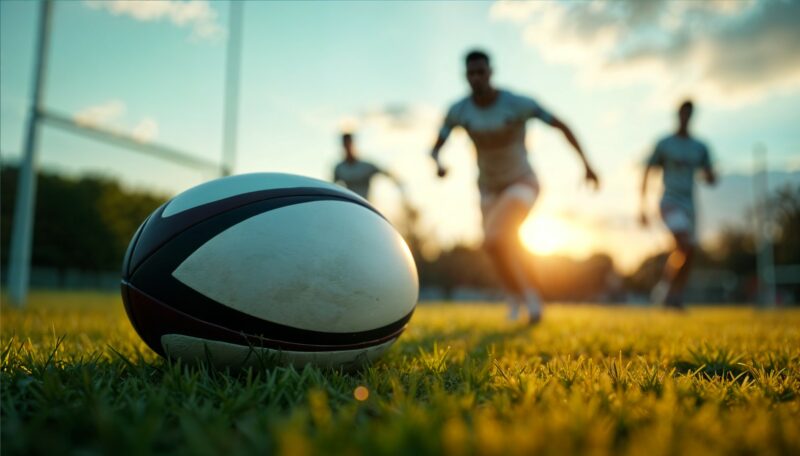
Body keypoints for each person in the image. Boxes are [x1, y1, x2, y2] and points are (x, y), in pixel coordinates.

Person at [430, 49, 599, 324]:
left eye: (480, 72)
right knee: (496, 247)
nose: (476, 78)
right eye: (471, 73)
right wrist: (437, 163)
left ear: (490, 73)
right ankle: (514, 295)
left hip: (522, 181)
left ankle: (531, 297)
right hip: (488, 188)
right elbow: (436, 146)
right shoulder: (458, 110)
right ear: (465, 76)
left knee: (496, 238)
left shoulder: (517, 103)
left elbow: (561, 125)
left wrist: (587, 165)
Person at [640, 100, 716, 309]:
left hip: (689, 204)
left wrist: (711, 176)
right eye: (683, 113)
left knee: (687, 251)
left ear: (692, 116)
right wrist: (642, 205)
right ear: (678, 114)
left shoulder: (700, 147)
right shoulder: (665, 144)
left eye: (689, 114)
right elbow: (647, 170)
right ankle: (668, 292)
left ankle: (671, 292)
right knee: (683, 243)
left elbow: (710, 175)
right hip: (669, 201)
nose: (686, 117)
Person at [333, 132, 402, 200]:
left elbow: (386, 173)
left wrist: (399, 183)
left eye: (349, 143)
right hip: (350, 205)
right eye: (345, 144)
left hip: (365, 206)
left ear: (353, 144)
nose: (347, 147)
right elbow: (334, 188)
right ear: (343, 145)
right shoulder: (339, 168)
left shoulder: (366, 166)